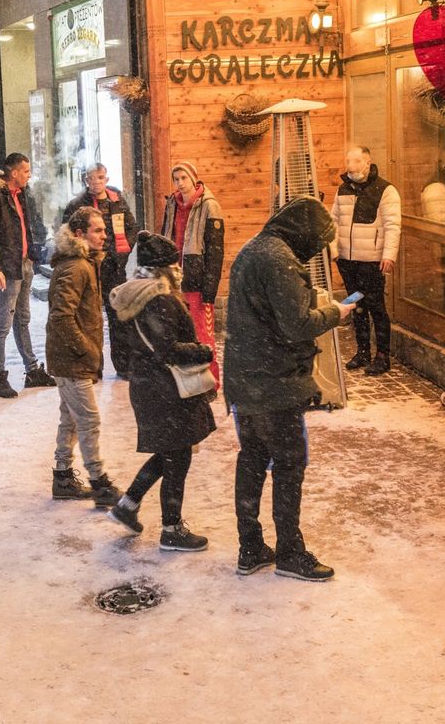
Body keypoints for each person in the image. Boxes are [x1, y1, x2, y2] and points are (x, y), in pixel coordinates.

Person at [225, 196, 356, 581]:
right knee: (288, 465)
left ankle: (250, 546)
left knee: (251, 458)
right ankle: (290, 552)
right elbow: (296, 325)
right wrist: (335, 311)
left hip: (246, 378)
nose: (318, 250)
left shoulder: (256, 247)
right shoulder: (279, 259)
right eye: (319, 242)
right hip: (274, 383)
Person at [106, 231, 217, 551]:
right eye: (175, 265)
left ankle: (127, 505)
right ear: (165, 269)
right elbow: (168, 350)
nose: (179, 270)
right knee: (177, 457)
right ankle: (171, 529)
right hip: (165, 390)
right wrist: (202, 351)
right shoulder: (160, 299)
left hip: (148, 386)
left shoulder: (135, 295)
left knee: (170, 452)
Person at [46, 207, 122, 507]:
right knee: (88, 420)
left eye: (104, 230)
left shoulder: (84, 262)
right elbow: (61, 317)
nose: (105, 236)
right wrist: (88, 349)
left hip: (70, 357)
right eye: (98, 231)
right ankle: (98, 480)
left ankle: (62, 477)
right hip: (71, 359)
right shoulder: (77, 266)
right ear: (80, 234)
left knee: (71, 419)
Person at [0, 153, 54, 398]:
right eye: (26, 171)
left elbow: (26, 227)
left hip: (23, 263)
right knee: (3, 323)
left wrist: (32, 253)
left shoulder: (21, 194)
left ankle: (32, 370)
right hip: (8, 268)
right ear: (14, 172)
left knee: (23, 319)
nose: (29, 175)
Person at [331, 145, 401, 376]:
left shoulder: (385, 190)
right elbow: (333, 220)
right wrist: (334, 249)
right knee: (355, 306)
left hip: (371, 260)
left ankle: (382, 356)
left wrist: (388, 255)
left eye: (356, 161)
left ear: (367, 162)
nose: (351, 166)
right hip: (347, 260)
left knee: (376, 307)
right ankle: (362, 351)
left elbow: (392, 225)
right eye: (348, 160)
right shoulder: (343, 189)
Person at [64, 164, 139, 379]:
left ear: (106, 178)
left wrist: (119, 253)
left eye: (100, 177)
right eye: (91, 178)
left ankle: (123, 366)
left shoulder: (117, 201)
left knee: (119, 318)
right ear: (86, 180)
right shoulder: (77, 205)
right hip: (88, 269)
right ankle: (93, 366)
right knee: (90, 319)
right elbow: (68, 234)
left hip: (115, 269)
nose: (96, 182)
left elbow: (132, 228)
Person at [160, 161, 224, 386]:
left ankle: (211, 381)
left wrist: (210, 288)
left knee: (202, 335)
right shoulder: (172, 203)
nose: (180, 183)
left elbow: (215, 251)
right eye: (176, 179)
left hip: (196, 278)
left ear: (193, 178)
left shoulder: (208, 205)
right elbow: (164, 235)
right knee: (179, 332)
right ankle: (187, 380)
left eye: (183, 178)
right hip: (174, 277)